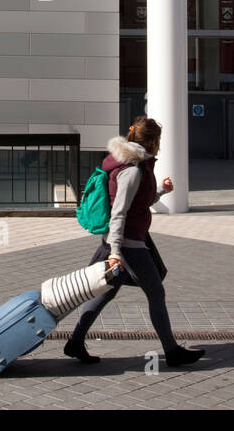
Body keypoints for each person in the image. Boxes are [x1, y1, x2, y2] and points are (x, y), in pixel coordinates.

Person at [63, 116, 205, 367]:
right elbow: (120, 212)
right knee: (156, 293)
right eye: (158, 140)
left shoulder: (134, 164)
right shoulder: (132, 170)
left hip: (122, 241)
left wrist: (160, 190)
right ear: (151, 141)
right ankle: (171, 351)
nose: (160, 144)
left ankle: (75, 342)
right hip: (128, 244)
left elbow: (137, 203)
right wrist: (116, 251)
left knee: (105, 292)